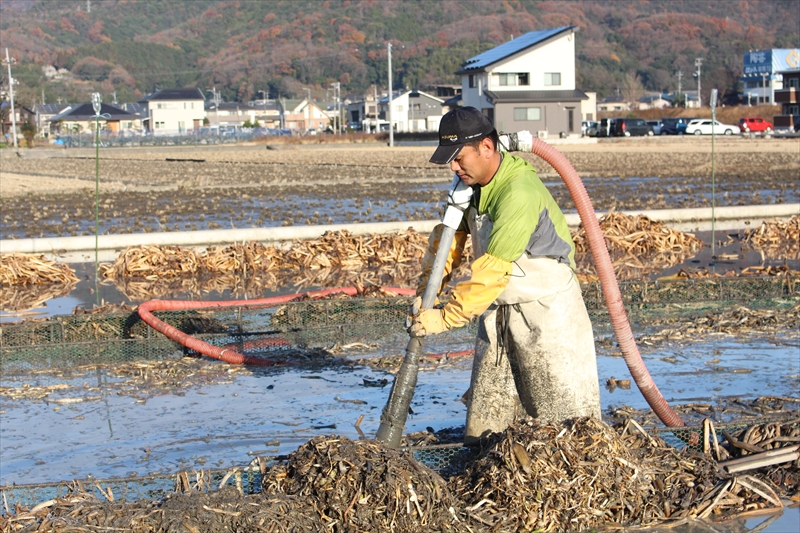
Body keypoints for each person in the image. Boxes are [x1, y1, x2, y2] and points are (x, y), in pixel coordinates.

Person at [408, 106, 601, 442]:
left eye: (458, 158)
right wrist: (428, 289)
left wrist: (444, 318)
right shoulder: (469, 186)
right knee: (488, 423)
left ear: (486, 147)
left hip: (548, 313)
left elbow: (492, 272)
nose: (453, 167)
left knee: (563, 429)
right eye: (450, 160)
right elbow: (449, 240)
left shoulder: (517, 192)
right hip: (498, 308)